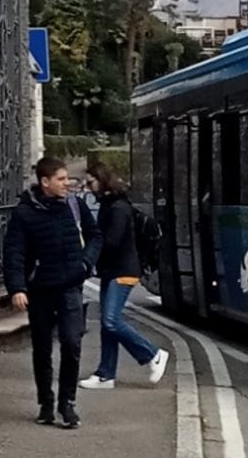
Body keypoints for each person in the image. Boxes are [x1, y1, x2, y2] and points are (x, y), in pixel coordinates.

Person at [3, 157, 103, 429]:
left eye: (67, 178)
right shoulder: (24, 213)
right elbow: (14, 252)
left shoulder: (74, 205)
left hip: (70, 285)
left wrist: (85, 262)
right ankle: (46, 404)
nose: (67, 183)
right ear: (44, 182)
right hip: (40, 289)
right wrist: (17, 288)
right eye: (60, 179)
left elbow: (95, 236)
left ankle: (67, 403)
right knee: (43, 349)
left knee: (72, 342)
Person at [79, 162, 169, 390]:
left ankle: (153, 354)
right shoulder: (112, 204)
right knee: (107, 324)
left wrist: (89, 245)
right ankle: (105, 374)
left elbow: (112, 241)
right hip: (113, 270)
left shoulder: (118, 208)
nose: (89, 188)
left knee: (111, 321)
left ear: (102, 180)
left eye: (91, 182)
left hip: (124, 270)